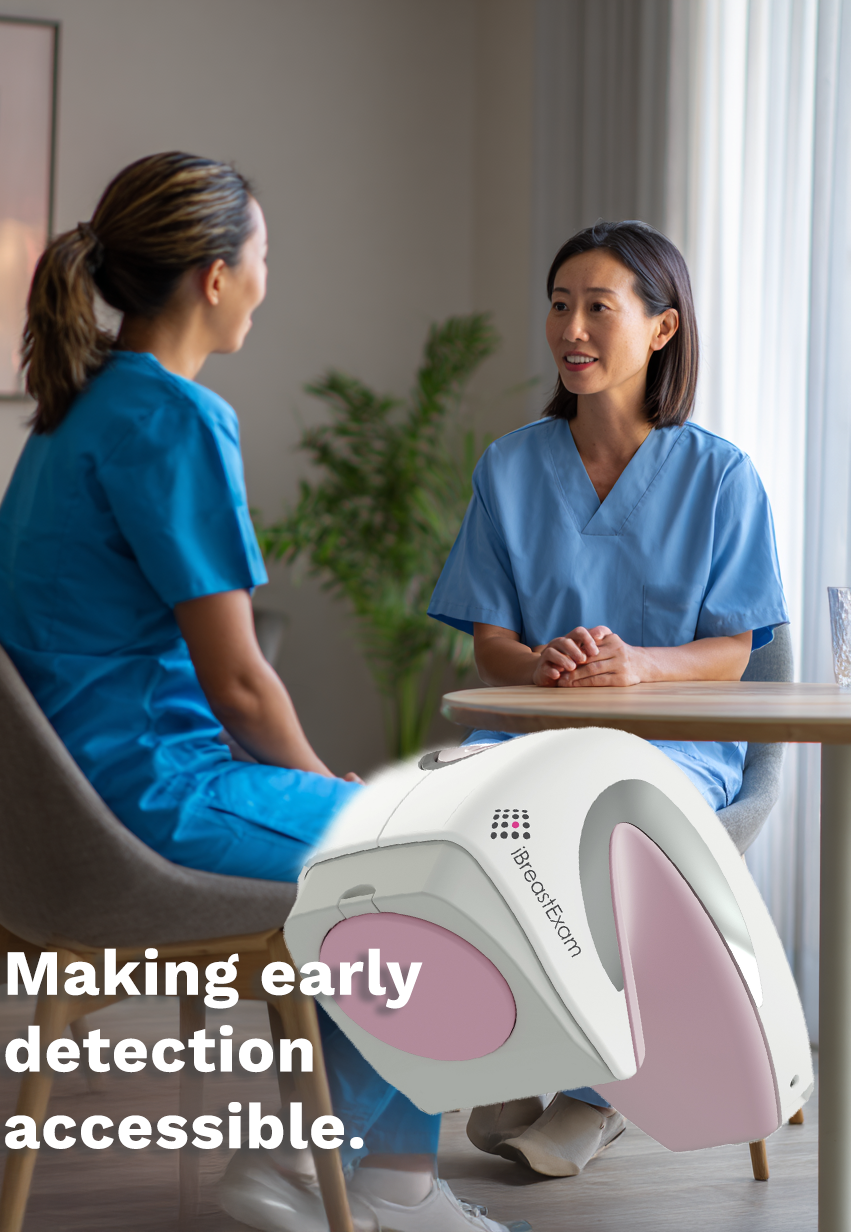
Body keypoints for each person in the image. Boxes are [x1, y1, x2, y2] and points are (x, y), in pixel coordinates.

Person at [0, 153, 524, 1232]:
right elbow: (236, 679)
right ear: (215, 278)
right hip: (144, 796)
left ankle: (309, 1159)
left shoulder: (71, 417)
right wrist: (332, 787)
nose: (272, 278)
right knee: (440, 858)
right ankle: (367, 1178)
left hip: (63, 809)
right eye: (265, 255)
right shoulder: (173, 419)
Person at [428, 219, 788, 1181]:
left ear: (662, 329)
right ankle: (515, 1046)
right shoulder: (508, 467)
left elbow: (735, 652)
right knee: (446, 812)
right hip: (535, 730)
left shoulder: (721, 476)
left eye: (598, 307)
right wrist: (542, 667)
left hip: (671, 742)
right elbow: (490, 644)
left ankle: (593, 1092)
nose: (571, 328)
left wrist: (637, 670)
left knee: (600, 821)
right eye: (558, 304)